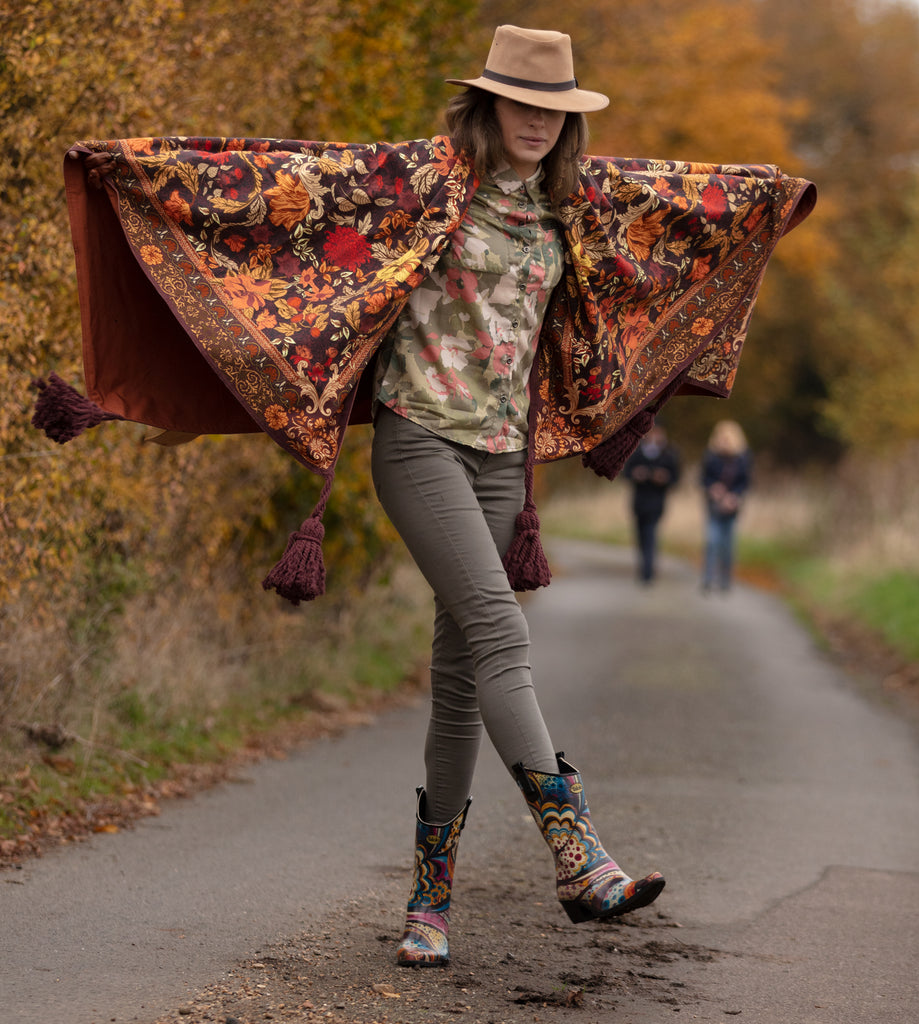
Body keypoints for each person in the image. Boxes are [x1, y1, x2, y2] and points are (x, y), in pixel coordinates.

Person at [37, 24, 815, 971]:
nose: (536, 122)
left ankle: (427, 909)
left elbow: (692, 205)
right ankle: (577, 854)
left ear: (568, 122)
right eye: (522, 104)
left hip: (499, 461)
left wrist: (775, 198)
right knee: (499, 630)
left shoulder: (575, 205)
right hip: (419, 445)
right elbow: (277, 184)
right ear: (487, 104)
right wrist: (128, 166)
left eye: (554, 110)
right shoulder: (423, 183)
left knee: (458, 688)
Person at [622, 423, 680, 583]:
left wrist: (664, 478)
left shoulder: (669, 453)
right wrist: (636, 474)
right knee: (641, 535)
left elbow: (676, 479)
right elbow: (625, 473)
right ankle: (645, 566)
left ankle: (648, 571)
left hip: (657, 502)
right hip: (639, 501)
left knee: (651, 533)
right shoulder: (635, 450)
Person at [700, 420, 752, 593]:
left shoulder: (742, 458)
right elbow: (703, 479)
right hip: (714, 507)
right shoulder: (711, 457)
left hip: (732, 508)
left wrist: (734, 496)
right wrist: (712, 488)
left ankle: (725, 580)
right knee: (712, 541)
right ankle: (708, 579)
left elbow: (746, 482)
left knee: (728, 545)